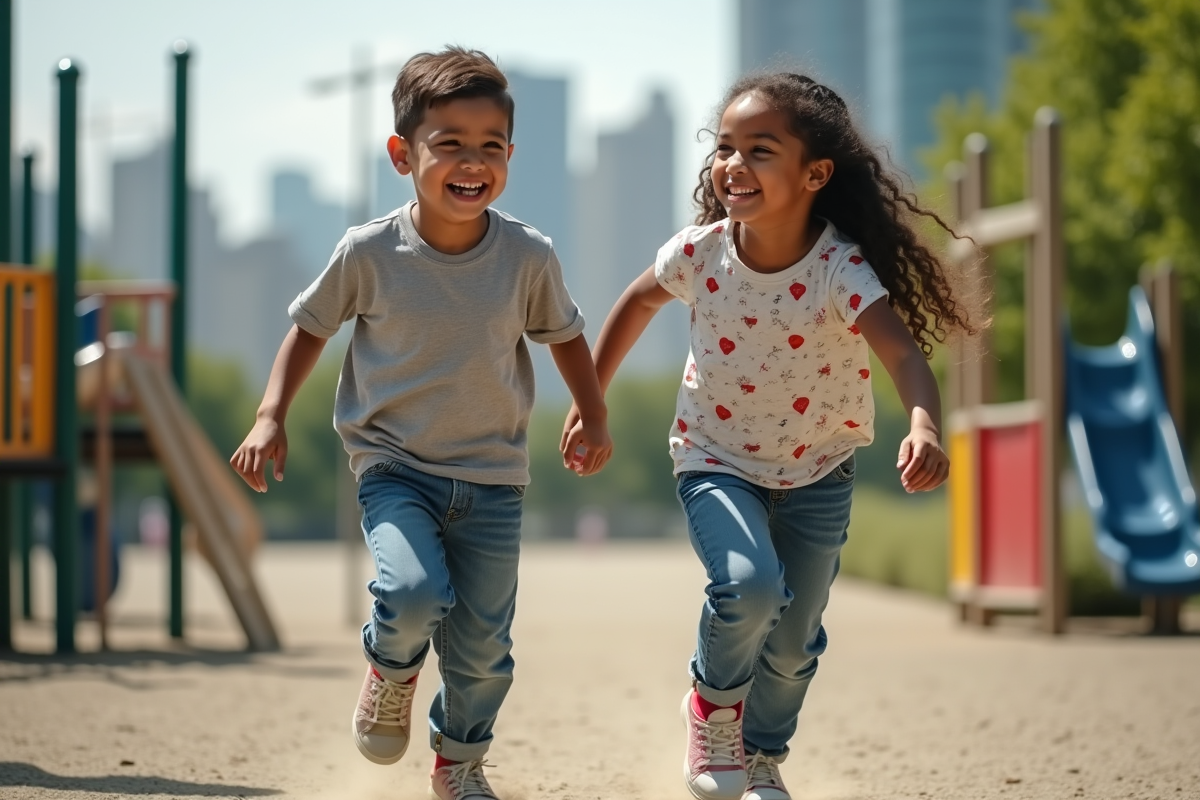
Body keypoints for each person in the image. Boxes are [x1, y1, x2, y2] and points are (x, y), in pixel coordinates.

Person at [561, 73, 974, 800]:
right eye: (724, 147)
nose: (732, 165)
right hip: (714, 458)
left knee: (794, 642)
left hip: (819, 472)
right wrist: (591, 403)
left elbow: (904, 355)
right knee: (749, 589)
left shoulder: (839, 268)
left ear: (815, 174)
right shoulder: (702, 252)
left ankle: (760, 757)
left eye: (759, 150)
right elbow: (635, 300)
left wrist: (924, 422)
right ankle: (713, 713)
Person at [231, 47, 611, 800]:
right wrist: (271, 414)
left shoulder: (527, 255)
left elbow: (564, 334)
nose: (472, 162)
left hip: (494, 479)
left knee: (483, 649)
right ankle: (390, 669)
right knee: (409, 593)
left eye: (490, 147)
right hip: (394, 466)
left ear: (510, 156)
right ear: (403, 154)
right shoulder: (369, 251)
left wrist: (592, 412)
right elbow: (310, 328)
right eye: (450, 144)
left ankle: (459, 763)